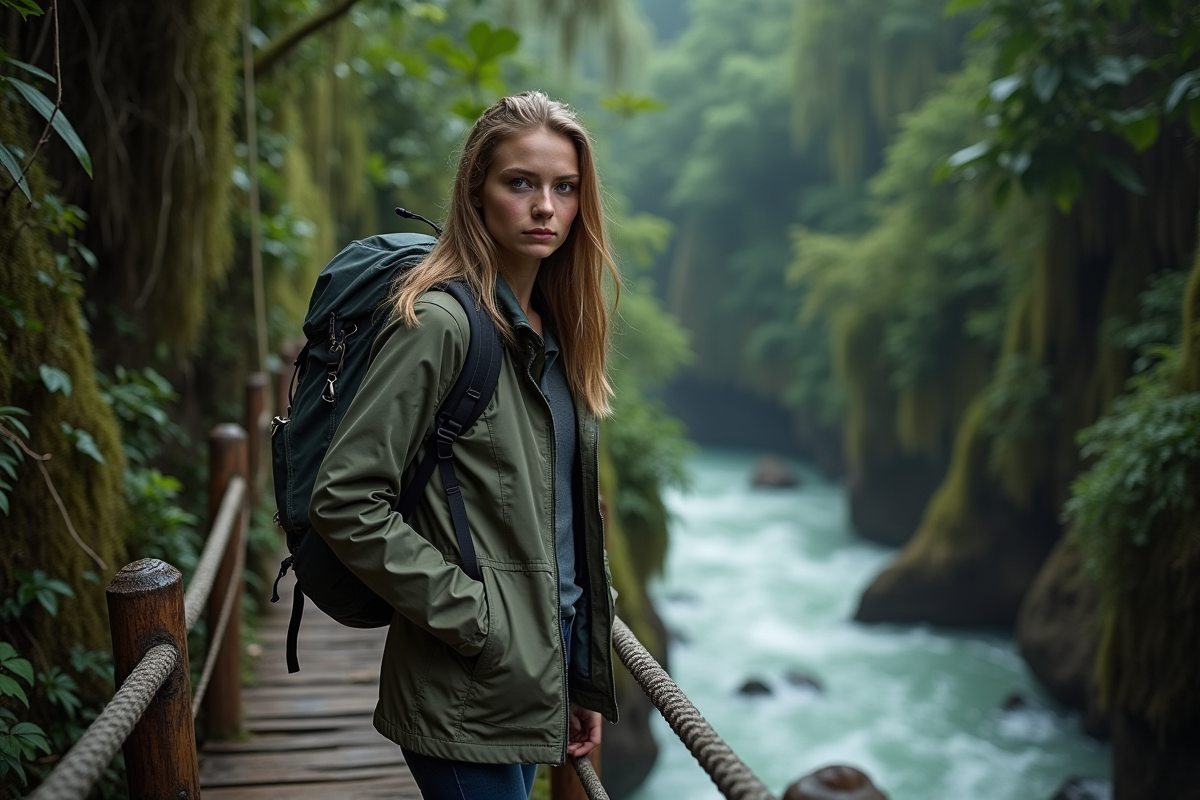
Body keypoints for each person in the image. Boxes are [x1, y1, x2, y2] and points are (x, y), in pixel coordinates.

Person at [309, 91, 620, 800]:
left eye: (564, 187)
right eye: (521, 183)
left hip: (534, 678)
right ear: (476, 192)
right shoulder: (439, 324)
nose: (546, 206)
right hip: (461, 684)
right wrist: (479, 621)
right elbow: (347, 498)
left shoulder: (556, 332)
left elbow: (561, 526)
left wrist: (576, 676)